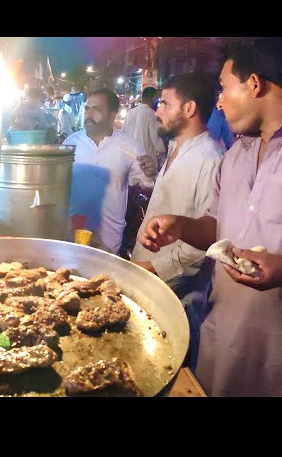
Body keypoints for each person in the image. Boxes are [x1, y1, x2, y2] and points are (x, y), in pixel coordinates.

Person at [139, 37, 282, 396]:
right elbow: (218, 230)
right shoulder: (236, 155)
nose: (218, 101)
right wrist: (182, 226)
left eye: (223, 88)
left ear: (255, 83)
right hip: (221, 346)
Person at [131, 73, 225, 370]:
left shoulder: (211, 158)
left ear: (189, 109)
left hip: (177, 296)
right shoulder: (175, 148)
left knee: (166, 370)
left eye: (164, 104)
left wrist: (150, 269)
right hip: (146, 281)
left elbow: (207, 241)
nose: (156, 110)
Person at [63, 88, 157, 255]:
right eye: (87, 109)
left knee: (103, 278)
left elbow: (145, 184)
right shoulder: (71, 143)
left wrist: (149, 174)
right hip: (74, 227)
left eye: (96, 109)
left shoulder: (129, 146)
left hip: (109, 232)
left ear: (112, 115)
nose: (89, 114)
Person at [122, 86, 165, 164]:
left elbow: (123, 134)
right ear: (153, 98)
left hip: (129, 158)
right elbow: (155, 139)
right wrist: (164, 150)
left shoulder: (130, 112)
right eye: (156, 99)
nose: (157, 101)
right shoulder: (151, 114)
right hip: (145, 161)